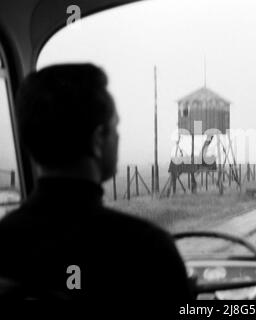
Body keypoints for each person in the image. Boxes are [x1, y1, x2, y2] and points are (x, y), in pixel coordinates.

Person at [0, 64, 193, 301]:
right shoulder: (146, 249)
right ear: (97, 141)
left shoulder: (5, 239)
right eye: (114, 127)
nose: (119, 136)